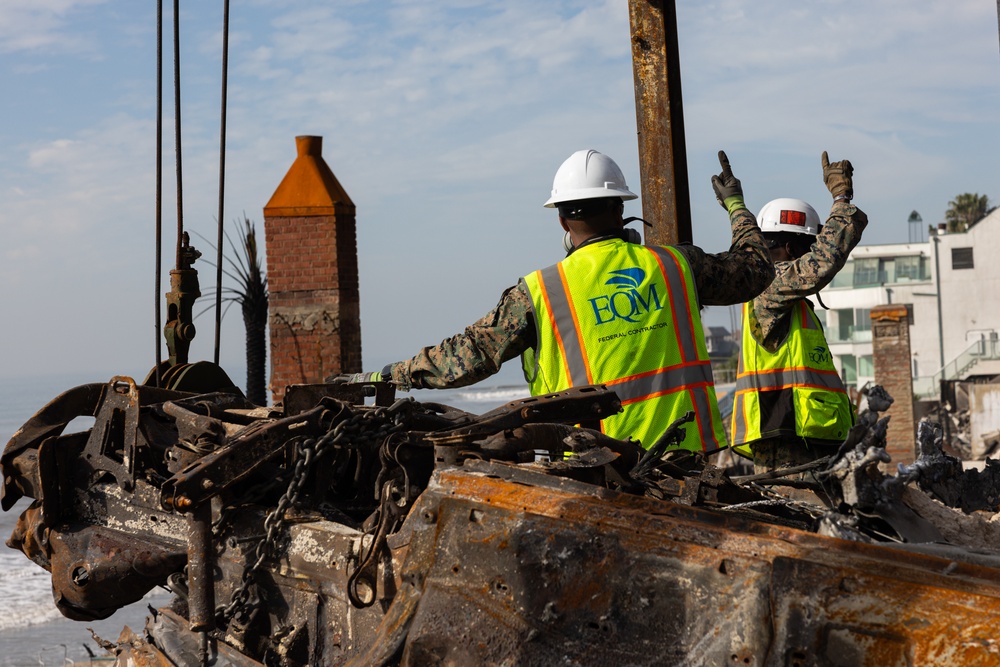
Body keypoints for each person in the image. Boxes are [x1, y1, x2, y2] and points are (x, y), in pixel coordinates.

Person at [343, 149, 773, 452]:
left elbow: (465, 358)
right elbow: (755, 268)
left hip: (591, 467)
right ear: (620, 208)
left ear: (563, 217)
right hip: (685, 459)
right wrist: (735, 205)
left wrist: (385, 375)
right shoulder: (676, 265)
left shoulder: (539, 292)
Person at [729, 151, 869, 472]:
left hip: (802, 437)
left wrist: (736, 208)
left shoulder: (781, 297)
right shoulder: (772, 285)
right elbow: (825, 259)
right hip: (787, 443)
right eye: (809, 246)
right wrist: (841, 197)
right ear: (793, 250)